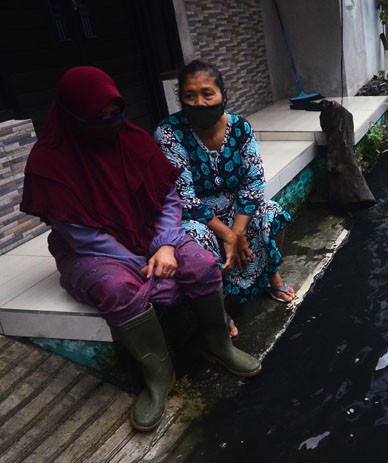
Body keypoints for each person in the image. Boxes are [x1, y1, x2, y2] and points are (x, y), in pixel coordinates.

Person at [20, 66, 262, 433]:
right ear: (72, 116)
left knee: (199, 262)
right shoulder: (49, 162)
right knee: (118, 288)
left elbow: (168, 197)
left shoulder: (133, 140)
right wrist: (141, 263)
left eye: (113, 114)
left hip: (151, 233)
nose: (108, 124)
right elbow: (80, 234)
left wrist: (165, 245)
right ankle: (158, 375)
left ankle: (219, 345)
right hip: (94, 250)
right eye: (96, 118)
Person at [154, 60, 295, 337]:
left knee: (272, 212)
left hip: (236, 207)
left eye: (208, 93)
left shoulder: (240, 127)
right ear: (180, 98)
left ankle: (269, 275)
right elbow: (185, 198)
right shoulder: (169, 133)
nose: (200, 103)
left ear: (222, 95)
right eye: (189, 96)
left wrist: (238, 230)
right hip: (196, 215)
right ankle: (217, 308)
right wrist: (228, 236)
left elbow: (253, 181)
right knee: (194, 240)